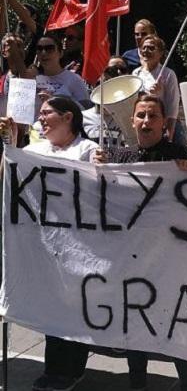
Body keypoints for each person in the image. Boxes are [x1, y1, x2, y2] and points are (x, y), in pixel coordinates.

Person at [93, 93, 187, 390]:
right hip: (133, 259)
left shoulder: (180, 155)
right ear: (132, 121)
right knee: (135, 322)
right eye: (141, 115)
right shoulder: (121, 158)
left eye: (153, 116)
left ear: (164, 123)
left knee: (175, 323)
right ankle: (137, 381)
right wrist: (97, 166)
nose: (146, 121)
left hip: (170, 259)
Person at [1, 96, 97, 391]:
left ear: (68, 117)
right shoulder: (33, 150)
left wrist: (102, 169)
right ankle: (56, 369)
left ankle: (71, 369)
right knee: (53, 306)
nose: (40, 118)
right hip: (42, 243)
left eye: (47, 113)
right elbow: (8, 183)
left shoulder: (88, 150)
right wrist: (11, 148)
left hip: (79, 244)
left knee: (74, 305)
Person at [132, 34, 183, 144]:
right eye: (143, 47)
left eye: (151, 48)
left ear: (160, 53)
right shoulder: (135, 74)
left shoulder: (168, 74)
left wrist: (169, 137)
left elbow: (172, 109)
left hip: (164, 130)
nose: (146, 51)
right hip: (143, 128)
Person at [35, 34, 90, 108]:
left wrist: (56, 101)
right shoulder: (32, 79)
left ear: (60, 53)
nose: (43, 53)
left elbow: (86, 110)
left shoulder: (74, 79)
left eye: (49, 48)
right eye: (39, 49)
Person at [0, 0, 42, 65]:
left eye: (24, 11)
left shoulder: (40, 33)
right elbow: (1, 36)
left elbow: (24, 16)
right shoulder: (17, 35)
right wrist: (3, 6)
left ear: (34, 16)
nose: (18, 15)